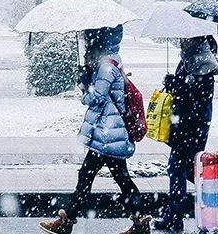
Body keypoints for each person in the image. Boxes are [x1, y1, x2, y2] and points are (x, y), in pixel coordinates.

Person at [39, 25, 151, 234]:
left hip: (107, 134)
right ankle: (140, 222)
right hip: (109, 132)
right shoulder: (111, 61)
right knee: (116, 178)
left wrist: (85, 88)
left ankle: (66, 223)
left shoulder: (106, 67)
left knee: (89, 177)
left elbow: (97, 98)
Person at [152, 35, 218, 232]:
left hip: (192, 127)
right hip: (185, 125)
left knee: (177, 169)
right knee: (189, 171)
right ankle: (216, 202)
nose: (182, 39)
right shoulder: (190, 58)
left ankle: (175, 217)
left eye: (187, 37)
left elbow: (198, 100)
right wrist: (174, 84)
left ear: (197, 38)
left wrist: (176, 85)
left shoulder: (203, 63)